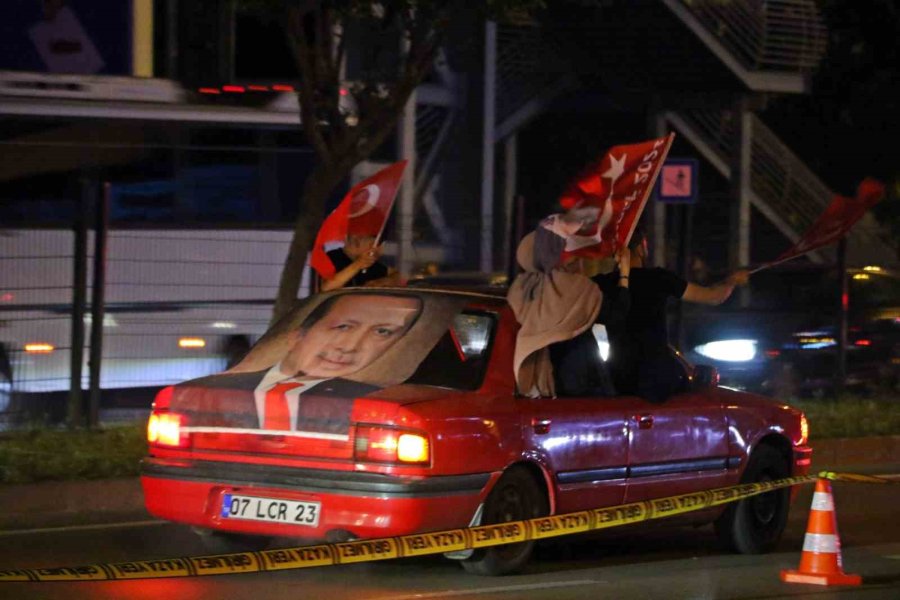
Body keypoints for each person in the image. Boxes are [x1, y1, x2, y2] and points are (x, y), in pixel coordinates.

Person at [173, 293, 421, 432]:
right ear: (297, 335)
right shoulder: (205, 395)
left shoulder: (376, 409)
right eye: (342, 327)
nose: (350, 346)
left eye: (383, 333)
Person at [595, 226, 749, 401]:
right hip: (656, 379)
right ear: (641, 248)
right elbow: (714, 296)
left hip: (618, 378)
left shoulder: (603, 284)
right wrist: (732, 281)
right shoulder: (659, 278)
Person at [507, 216, 631, 398]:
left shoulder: (520, 290)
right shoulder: (577, 289)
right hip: (581, 390)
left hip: (541, 389)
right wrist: (624, 275)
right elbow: (616, 315)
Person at [321, 234, 396, 291]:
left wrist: (386, 280)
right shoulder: (331, 257)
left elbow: (398, 275)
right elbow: (327, 287)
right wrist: (358, 264)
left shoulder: (378, 262)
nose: (357, 238)